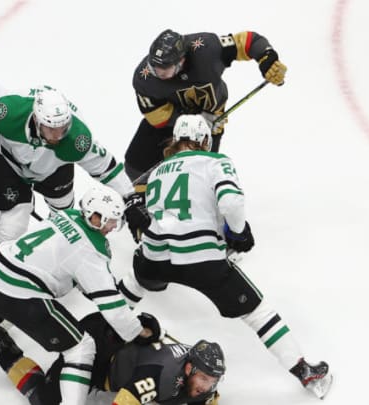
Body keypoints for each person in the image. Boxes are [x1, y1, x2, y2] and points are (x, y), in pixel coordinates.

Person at [118, 115, 332, 399]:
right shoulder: (215, 162)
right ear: (205, 140)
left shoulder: (157, 172)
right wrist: (239, 234)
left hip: (154, 254)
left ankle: (98, 336)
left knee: (133, 285)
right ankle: (303, 370)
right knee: (258, 312)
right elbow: (230, 202)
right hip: (201, 259)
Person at [0, 186, 159, 405]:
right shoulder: (91, 251)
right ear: (92, 214)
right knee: (81, 347)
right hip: (19, 295)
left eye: (114, 222)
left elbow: (66, 262)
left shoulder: (67, 215)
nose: (109, 227)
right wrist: (138, 331)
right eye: (106, 220)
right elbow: (113, 309)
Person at [0, 79, 144, 250]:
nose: (58, 136)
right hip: (8, 160)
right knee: (13, 226)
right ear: (37, 121)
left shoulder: (76, 140)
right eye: (51, 129)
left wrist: (131, 198)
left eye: (63, 128)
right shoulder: (7, 112)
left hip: (54, 167)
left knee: (63, 219)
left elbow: (107, 167)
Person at [124, 29, 288, 181]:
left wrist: (267, 58)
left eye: (164, 69)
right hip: (172, 121)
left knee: (199, 177)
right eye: (154, 68)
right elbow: (156, 115)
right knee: (135, 165)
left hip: (212, 119)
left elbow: (249, 41)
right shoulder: (144, 78)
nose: (158, 74)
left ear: (181, 61)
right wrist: (189, 121)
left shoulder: (207, 49)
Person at [0, 312, 225, 405]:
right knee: (45, 401)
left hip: (122, 343)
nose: (207, 385)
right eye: (203, 378)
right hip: (97, 349)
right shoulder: (159, 375)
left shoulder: (200, 380)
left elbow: (209, 398)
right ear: (189, 367)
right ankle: (4, 346)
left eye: (212, 380)